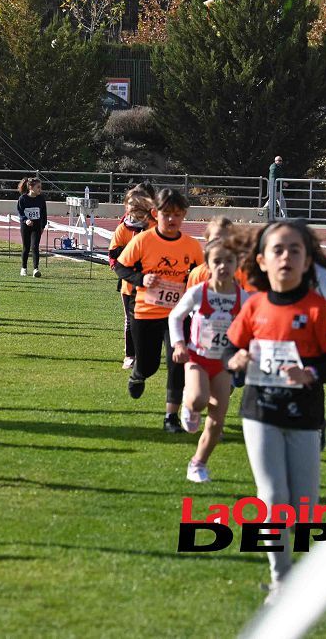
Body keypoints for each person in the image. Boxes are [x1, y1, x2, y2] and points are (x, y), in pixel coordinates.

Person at [225, 220, 326, 601]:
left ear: (307, 260)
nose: (286, 257)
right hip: (260, 410)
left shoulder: (317, 308)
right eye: (278, 249)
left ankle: (301, 571)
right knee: (273, 497)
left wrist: (307, 372)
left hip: (305, 414)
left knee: (305, 507)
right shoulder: (254, 305)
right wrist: (238, 357)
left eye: (295, 250)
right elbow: (230, 350)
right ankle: (283, 581)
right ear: (262, 259)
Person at [115, 188, 204, 433]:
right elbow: (121, 267)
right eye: (166, 214)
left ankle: (170, 418)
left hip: (178, 314)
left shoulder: (192, 246)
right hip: (145, 313)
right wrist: (141, 279)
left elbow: (202, 275)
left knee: (178, 362)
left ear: (184, 215)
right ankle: (138, 373)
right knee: (150, 364)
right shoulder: (143, 240)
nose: (172, 219)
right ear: (156, 213)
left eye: (177, 214)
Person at [169, 237, 249, 482]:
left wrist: (245, 351)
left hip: (223, 363)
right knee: (198, 400)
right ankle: (189, 405)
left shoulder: (242, 296)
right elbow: (175, 317)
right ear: (208, 264)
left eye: (229, 261)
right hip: (197, 356)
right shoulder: (198, 292)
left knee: (217, 419)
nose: (223, 266)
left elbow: (252, 325)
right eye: (217, 261)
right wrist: (179, 344)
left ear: (237, 264)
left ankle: (198, 464)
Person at [108, 189, 156, 370]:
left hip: (152, 282)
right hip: (129, 283)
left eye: (140, 204)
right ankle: (130, 355)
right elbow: (113, 255)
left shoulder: (155, 226)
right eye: (132, 204)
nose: (136, 208)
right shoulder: (123, 228)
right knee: (130, 319)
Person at [17, 177, 47, 277]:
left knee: (35, 247)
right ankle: (24, 268)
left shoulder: (41, 199)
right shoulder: (23, 199)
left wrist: (43, 226)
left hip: (37, 226)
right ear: (30, 187)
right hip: (26, 226)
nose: (40, 189)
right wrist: (26, 220)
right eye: (38, 187)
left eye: (40, 187)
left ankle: (36, 269)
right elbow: (20, 213)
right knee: (26, 247)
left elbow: (43, 213)